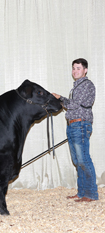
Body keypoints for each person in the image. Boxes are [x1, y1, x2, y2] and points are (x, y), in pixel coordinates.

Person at [52, 58, 98, 202]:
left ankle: (91, 194)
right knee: (78, 161)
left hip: (80, 125)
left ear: (85, 70)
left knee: (83, 160)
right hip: (73, 125)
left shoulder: (86, 85)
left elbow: (74, 104)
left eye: (78, 68)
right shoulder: (76, 87)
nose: (75, 71)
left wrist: (60, 98)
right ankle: (82, 192)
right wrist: (61, 99)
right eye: (73, 68)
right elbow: (73, 104)